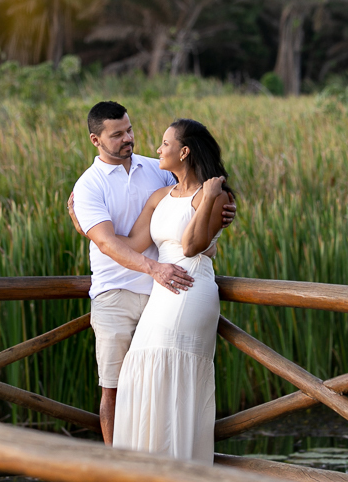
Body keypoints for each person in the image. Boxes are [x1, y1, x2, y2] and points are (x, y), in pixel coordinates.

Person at [68, 101, 235, 445]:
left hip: (169, 289)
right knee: (120, 385)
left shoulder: (156, 170)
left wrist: (218, 212)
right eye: (117, 134)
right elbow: (112, 243)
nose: (129, 138)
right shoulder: (89, 185)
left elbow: (191, 218)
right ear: (95, 140)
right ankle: (124, 466)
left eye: (129, 129)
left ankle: (173, 458)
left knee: (164, 377)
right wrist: (83, 225)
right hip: (118, 291)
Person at [106, 118, 232, 464]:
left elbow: (192, 245)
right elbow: (132, 243)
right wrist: (83, 224)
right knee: (143, 371)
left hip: (191, 289)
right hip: (164, 290)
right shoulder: (160, 196)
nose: (159, 149)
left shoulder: (216, 194)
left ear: (184, 151)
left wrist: (208, 198)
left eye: (165, 143)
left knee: (170, 375)